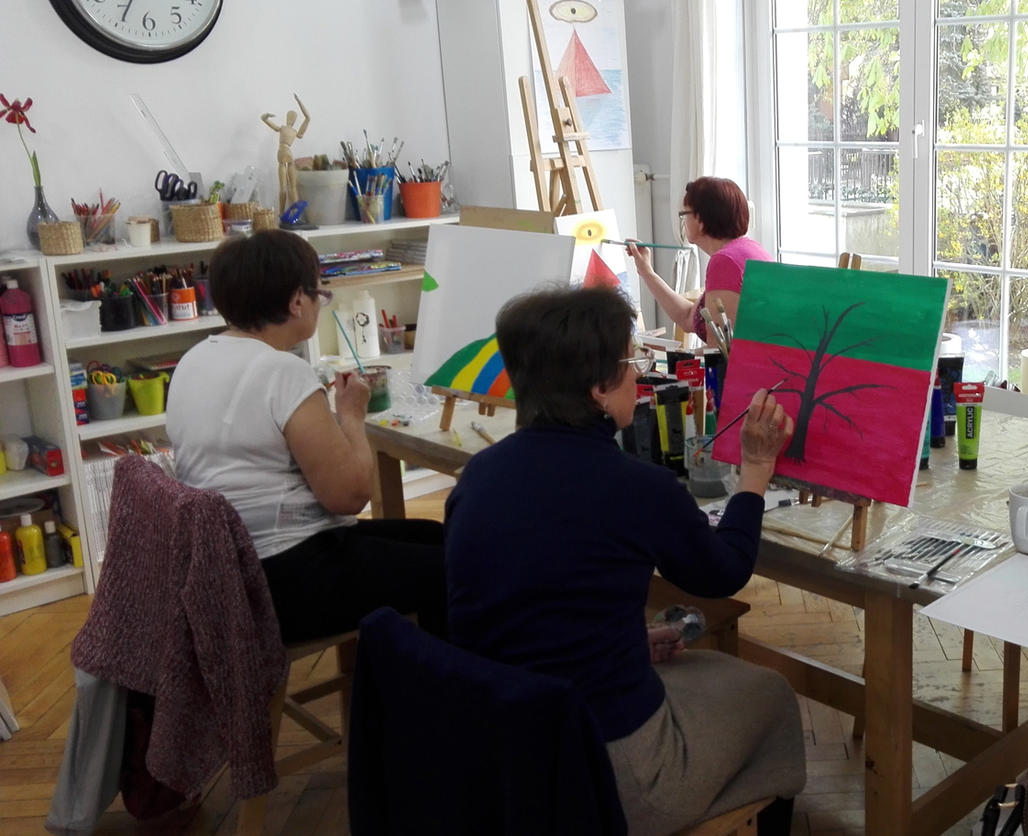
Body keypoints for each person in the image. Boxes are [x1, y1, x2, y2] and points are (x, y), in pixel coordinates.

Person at [444, 285, 806, 835]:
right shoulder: (636, 487)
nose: (638, 377)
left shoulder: (479, 475)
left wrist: (626, 642)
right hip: (604, 771)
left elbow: (529, 607)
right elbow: (725, 570)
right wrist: (756, 468)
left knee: (708, 679)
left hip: (497, 756)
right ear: (597, 388)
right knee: (772, 696)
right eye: (630, 363)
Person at [166, 229, 446, 643]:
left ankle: (411, 668)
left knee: (436, 538)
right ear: (297, 301)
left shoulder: (194, 358)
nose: (320, 302)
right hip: (281, 576)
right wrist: (351, 416)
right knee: (452, 568)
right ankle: (434, 675)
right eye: (320, 293)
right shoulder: (281, 372)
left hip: (224, 569)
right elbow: (349, 496)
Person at [627, 176, 772, 346]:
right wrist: (647, 272)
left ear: (701, 221)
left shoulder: (725, 261)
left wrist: (685, 356)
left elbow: (719, 348)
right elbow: (688, 317)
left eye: (685, 214)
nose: (683, 221)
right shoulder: (748, 248)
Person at [261, 93, 311, 213]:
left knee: (287, 187)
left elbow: (308, 118)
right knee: (289, 187)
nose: (290, 119)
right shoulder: (291, 131)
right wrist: (267, 116)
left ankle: (289, 213)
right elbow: (308, 117)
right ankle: (288, 213)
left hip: (283, 153)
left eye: (291, 117)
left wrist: (299, 101)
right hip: (286, 153)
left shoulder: (287, 129)